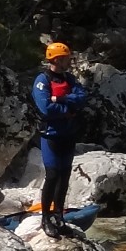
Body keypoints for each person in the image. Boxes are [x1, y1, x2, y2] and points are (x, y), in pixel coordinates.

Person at [31, 41, 89, 236]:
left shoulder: (70, 79)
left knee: (64, 177)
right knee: (53, 176)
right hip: (51, 136)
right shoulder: (42, 80)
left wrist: (62, 99)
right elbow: (45, 108)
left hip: (68, 135)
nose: (69, 62)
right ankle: (46, 218)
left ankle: (58, 215)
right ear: (56, 60)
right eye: (65, 59)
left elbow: (82, 97)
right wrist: (68, 110)